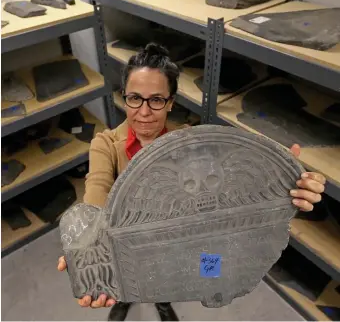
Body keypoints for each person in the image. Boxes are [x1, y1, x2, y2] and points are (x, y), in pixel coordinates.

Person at [57, 43, 326, 320]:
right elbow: (97, 189)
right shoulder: (105, 144)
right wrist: (88, 241)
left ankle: (162, 302)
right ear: (125, 98)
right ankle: (123, 299)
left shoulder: (192, 144)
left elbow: (224, 200)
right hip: (133, 244)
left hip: (177, 242)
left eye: (157, 100)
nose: (145, 111)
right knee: (128, 276)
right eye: (135, 98)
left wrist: (287, 184)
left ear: (171, 102)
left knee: (178, 272)